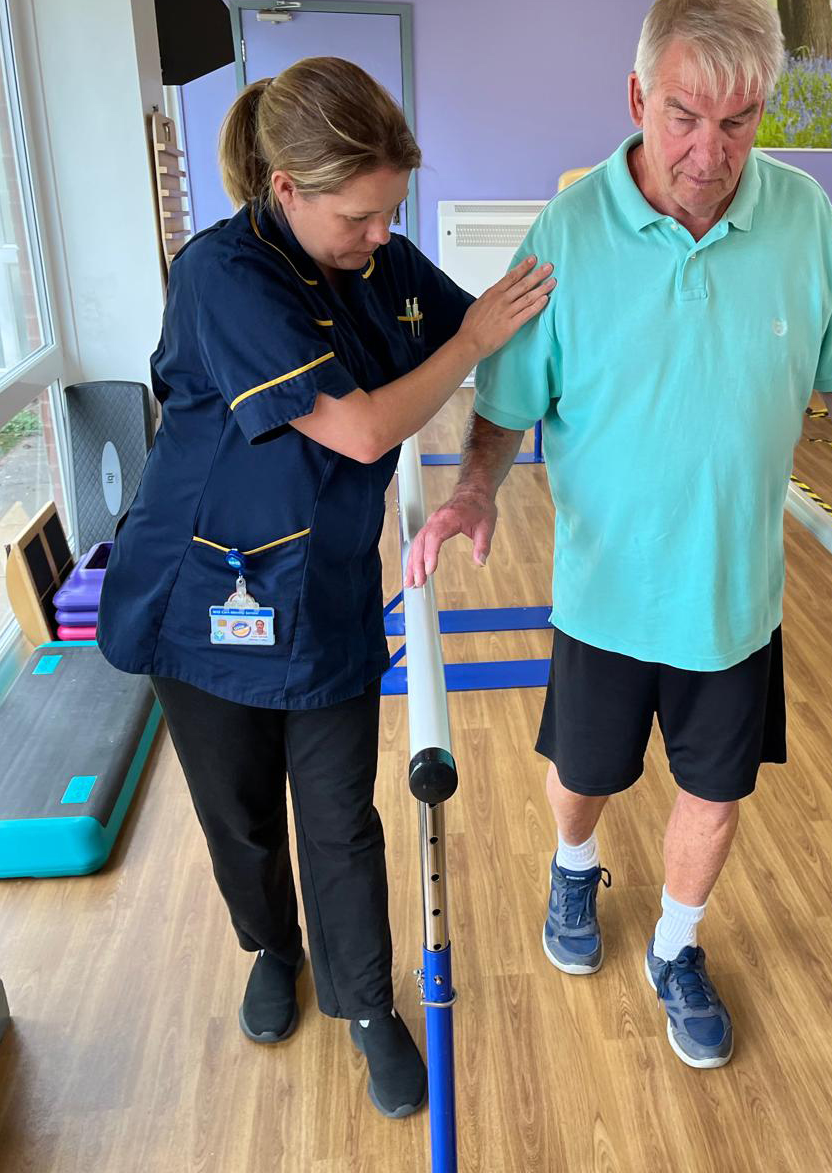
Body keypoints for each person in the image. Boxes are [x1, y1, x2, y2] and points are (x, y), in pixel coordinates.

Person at [406, 0, 832, 1070]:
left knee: (714, 794)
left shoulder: (799, 219)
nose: (710, 150)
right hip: (606, 590)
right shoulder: (569, 229)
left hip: (732, 599)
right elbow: (508, 405)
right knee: (582, 776)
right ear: (637, 97)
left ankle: (678, 947)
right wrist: (469, 490)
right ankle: (572, 870)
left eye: (738, 121)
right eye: (686, 116)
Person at [98, 57, 553, 1116]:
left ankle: (364, 1004)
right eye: (359, 215)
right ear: (286, 189)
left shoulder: (378, 263)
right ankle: (269, 947)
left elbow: (491, 325)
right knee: (241, 816)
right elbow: (359, 430)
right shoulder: (224, 273)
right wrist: (477, 340)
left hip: (329, 592)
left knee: (342, 818)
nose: (382, 236)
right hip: (205, 589)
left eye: (393, 211)